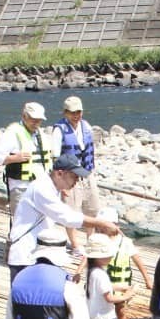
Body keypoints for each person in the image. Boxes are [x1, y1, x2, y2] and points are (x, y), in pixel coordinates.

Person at [6, 153, 118, 282]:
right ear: (60, 173)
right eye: (74, 176)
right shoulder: (42, 188)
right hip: (24, 255)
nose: (76, 181)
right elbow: (67, 217)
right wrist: (101, 223)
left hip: (37, 252)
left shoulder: (51, 186)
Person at [98, 207, 152, 319]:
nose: (101, 228)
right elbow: (88, 257)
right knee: (103, 314)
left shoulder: (125, 242)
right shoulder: (99, 241)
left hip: (121, 286)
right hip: (106, 285)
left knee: (121, 312)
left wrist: (147, 279)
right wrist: (78, 271)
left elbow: (138, 260)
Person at [52, 96, 100, 254]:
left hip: (87, 173)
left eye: (79, 111)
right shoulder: (59, 130)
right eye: (73, 112)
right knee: (71, 210)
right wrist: (60, 184)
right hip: (69, 176)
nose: (77, 115)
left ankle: (91, 241)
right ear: (65, 113)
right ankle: (75, 245)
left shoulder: (86, 126)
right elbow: (55, 157)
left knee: (92, 208)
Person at [0, 101, 53, 220]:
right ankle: (15, 238)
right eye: (33, 119)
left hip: (40, 185)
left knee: (40, 219)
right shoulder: (13, 133)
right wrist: (14, 158)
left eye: (39, 120)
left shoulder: (40, 133)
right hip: (20, 186)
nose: (36, 123)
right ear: (24, 116)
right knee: (20, 219)